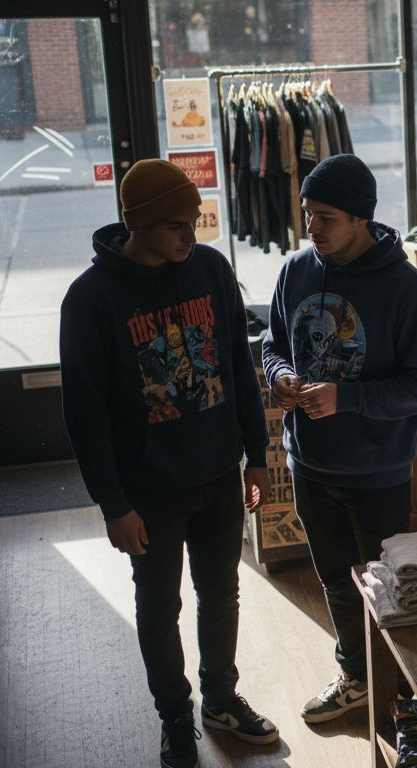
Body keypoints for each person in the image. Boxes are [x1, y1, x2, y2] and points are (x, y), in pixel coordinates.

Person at [60, 159, 278, 768]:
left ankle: (221, 698)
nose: (192, 234)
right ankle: (176, 720)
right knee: (159, 609)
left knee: (222, 593)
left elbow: (237, 366)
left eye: (196, 221)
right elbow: (84, 413)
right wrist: (113, 504)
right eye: (178, 225)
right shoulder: (91, 298)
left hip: (218, 472)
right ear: (141, 224)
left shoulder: (209, 269)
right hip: (148, 491)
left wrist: (256, 457)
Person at [261, 154, 417, 723]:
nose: (312, 227)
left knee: (390, 589)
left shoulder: (405, 286)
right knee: (336, 584)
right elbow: (270, 345)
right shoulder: (296, 270)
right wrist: (280, 375)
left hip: (378, 471)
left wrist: (347, 396)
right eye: (308, 214)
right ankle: (357, 678)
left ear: (361, 218)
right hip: (310, 463)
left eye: (327, 217)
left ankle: (409, 697)